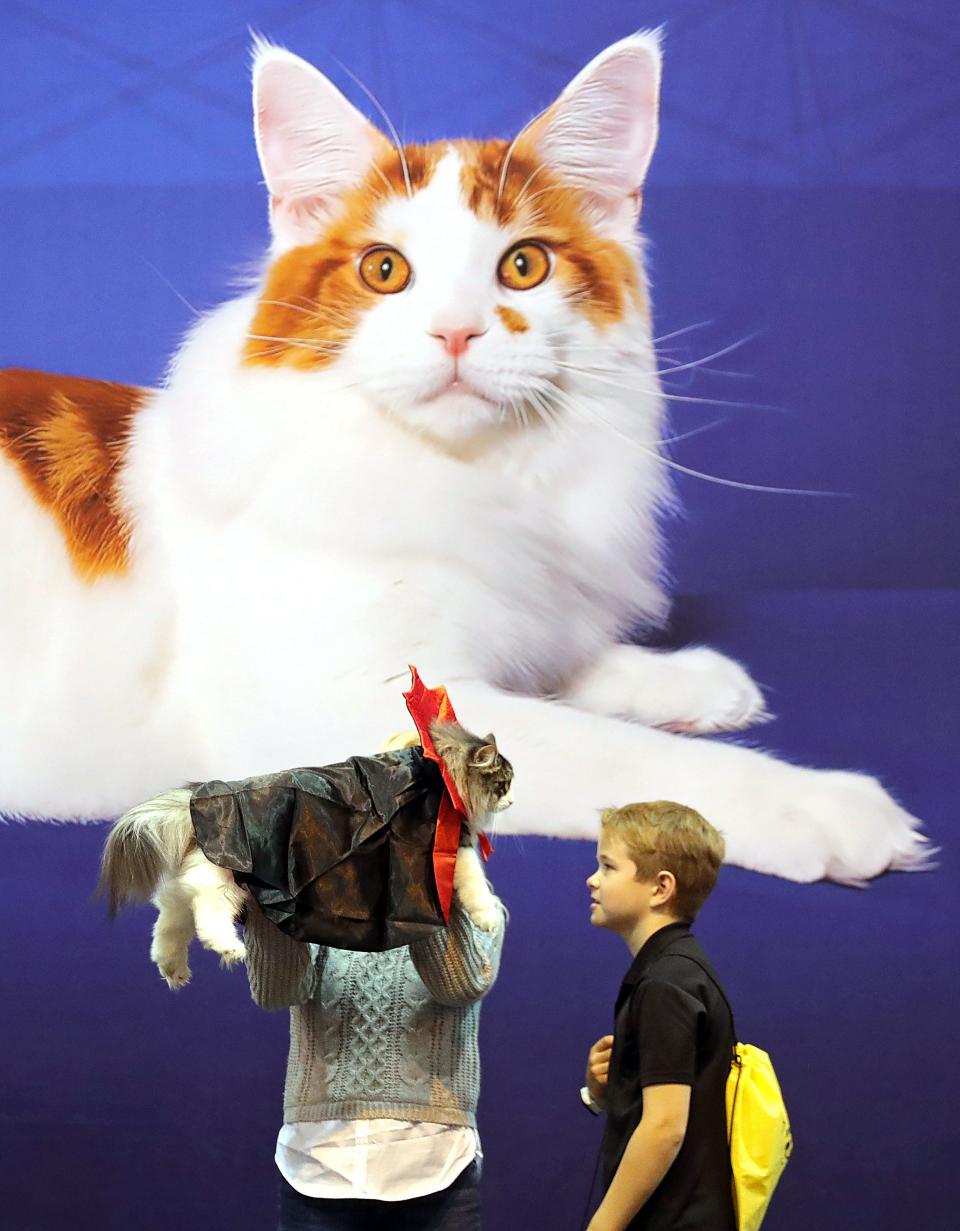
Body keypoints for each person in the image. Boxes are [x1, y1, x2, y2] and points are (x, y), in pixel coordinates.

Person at [243, 845, 506, 1231]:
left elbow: (459, 984)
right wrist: (268, 899)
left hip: (434, 1167)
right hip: (318, 1166)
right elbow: (276, 992)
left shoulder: (477, 906)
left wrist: (417, 877)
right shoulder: (314, 902)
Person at [581, 801, 736, 1231]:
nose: (592, 879)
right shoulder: (676, 969)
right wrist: (605, 1092)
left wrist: (603, 1226)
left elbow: (665, 1127)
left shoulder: (666, 983)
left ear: (660, 888)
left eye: (608, 867)